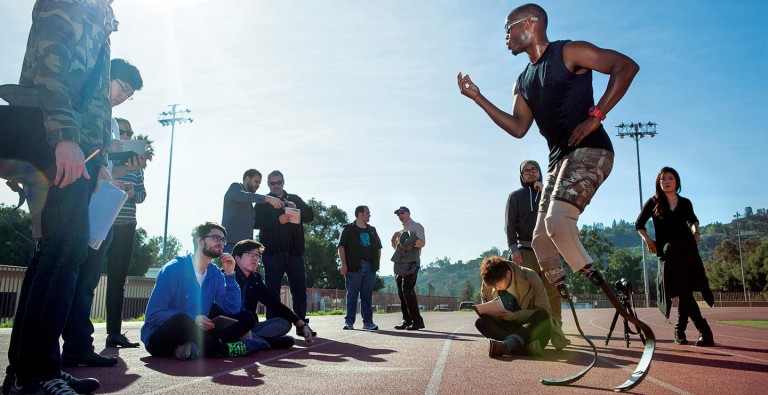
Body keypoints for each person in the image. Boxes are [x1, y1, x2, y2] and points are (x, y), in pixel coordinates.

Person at [458, 4, 640, 316]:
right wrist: (478, 98)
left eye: (508, 28)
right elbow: (518, 126)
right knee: (541, 242)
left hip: (591, 151)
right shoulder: (523, 80)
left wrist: (597, 116)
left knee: (557, 223)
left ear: (529, 23)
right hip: (558, 161)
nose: (505, 36)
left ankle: (608, 291)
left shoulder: (569, 52)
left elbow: (626, 66)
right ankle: (562, 294)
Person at [2, 1, 116, 394]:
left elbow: (96, 97)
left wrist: (98, 155)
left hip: (81, 149)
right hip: (59, 140)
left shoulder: (100, 20)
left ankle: (26, 372)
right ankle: (37, 374)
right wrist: (66, 138)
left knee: (55, 253)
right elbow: (50, 70)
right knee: (64, 251)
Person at [60, 58, 144, 367]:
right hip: (76, 201)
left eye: (129, 94)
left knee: (88, 281)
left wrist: (119, 171)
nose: (124, 96)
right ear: (108, 77)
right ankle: (42, 355)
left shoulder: (108, 117)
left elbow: (105, 166)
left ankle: (79, 346)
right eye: (123, 88)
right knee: (66, 275)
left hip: (101, 209)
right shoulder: (84, 103)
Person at [141, 222, 262, 360]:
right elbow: (153, 315)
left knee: (246, 317)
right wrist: (194, 318)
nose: (221, 242)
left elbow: (231, 310)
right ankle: (223, 349)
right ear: (200, 240)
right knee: (182, 320)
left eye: (223, 239)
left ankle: (194, 349)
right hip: (161, 335)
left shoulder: (215, 273)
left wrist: (229, 275)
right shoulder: (173, 269)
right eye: (216, 237)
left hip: (198, 331)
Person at [636, 167, 715, 346]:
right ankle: (703, 330)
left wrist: (696, 232)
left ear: (677, 182)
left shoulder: (685, 202)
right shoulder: (653, 202)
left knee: (684, 290)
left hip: (687, 249)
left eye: (670, 178)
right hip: (667, 251)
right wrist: (648, 241)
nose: (667, 181)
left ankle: (680, 330)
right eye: (663, 179)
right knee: (683, 290)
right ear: (659, 182)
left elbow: (692, 220)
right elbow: (639, 224)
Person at [506, 159, 569, 350]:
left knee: (554, 293)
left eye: (534, 169)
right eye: (526, 171)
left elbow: (560, 217)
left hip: (549, 249)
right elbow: (510, 226)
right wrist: (514, 249)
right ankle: (530, 333)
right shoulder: (515, 197)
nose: (531, 173)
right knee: (528, 294)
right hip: (525, 250)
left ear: (540, 172)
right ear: (521, 175)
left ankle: (556, 333)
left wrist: (546, 192)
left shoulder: (550, 194)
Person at [253, 170, 317, 336]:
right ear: (268, 184)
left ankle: (302, 325)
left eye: (278, 183)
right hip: (272, 254)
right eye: (272, 183)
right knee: (272, 292)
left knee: (299, 291)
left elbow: (310, 215)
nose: (276, 186)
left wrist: (296, 208)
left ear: (283, 182)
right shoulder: (262, 202)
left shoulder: (293, 198)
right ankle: (273, 328)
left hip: (295, 253)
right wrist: (277, 220)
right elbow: (255, 222)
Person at [104, 118, 148, 349]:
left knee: (118, 280)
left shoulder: (137, 166)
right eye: (121, 132)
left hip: (126, 225)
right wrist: (112, 183)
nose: (126, 136)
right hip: (102, 223)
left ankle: (114, 333)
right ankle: (78, 335)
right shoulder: (103, 158)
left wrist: (131, 193)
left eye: (129, 133)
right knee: (86, 278)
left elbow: (142, 195)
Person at [232, 239, 314, 348]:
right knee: (243, 319)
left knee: (284, 323)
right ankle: (266, 343)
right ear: (237, 258)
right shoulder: (227, 276)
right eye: (251, 254)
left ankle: (254, 341)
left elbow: (274, 304)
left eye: (257, 255)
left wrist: (301, 324)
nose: (255, 258)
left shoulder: (255, 279)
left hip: (251, 327)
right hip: (232, 326)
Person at [478, 255, 551, 358]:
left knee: (542, 316)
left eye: (498, 285)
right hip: (506, 328)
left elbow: (544, 310)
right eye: (494, 287)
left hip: (529, 330)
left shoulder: (530, 276)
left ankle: (507, 345)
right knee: (481, 321)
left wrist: (516, 315)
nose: (496, 288)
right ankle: (524, 349)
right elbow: (486, 310)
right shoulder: (488, 283)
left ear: (508, 273)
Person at [338, 205, 383, 330]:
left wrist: (375, 264)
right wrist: (344, 264)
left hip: (370, 267)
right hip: (353, 267)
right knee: (352, 295)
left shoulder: (372, 230)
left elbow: (378, 248)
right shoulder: (348, 229)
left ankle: (368, 322)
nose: (369, 215)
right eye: (367, 213)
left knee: (366, 295)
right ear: (360, 214)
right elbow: (341, 247)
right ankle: (349, 322)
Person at [221, 169, 284, 253]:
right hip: (231, 244)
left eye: (259, 183)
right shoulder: (235, 187)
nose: (258, 185)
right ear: (247, 179)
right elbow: (242, 196)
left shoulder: (249, 200)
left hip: (244, 246)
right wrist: (268, 198)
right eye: (256, 182)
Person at [391, 206, 425, 330]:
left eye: (402, 213)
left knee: (407, 290)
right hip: (400, 264)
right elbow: (398, 250)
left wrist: (410, 240)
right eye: (398, 214)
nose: (400, 215)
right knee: (401, 292)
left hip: (412, 263)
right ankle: (407, 320)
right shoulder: (401, 231)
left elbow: (422, 243)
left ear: (408, 213)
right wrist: (394, 240)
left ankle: (417, 321)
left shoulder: (417, 226)